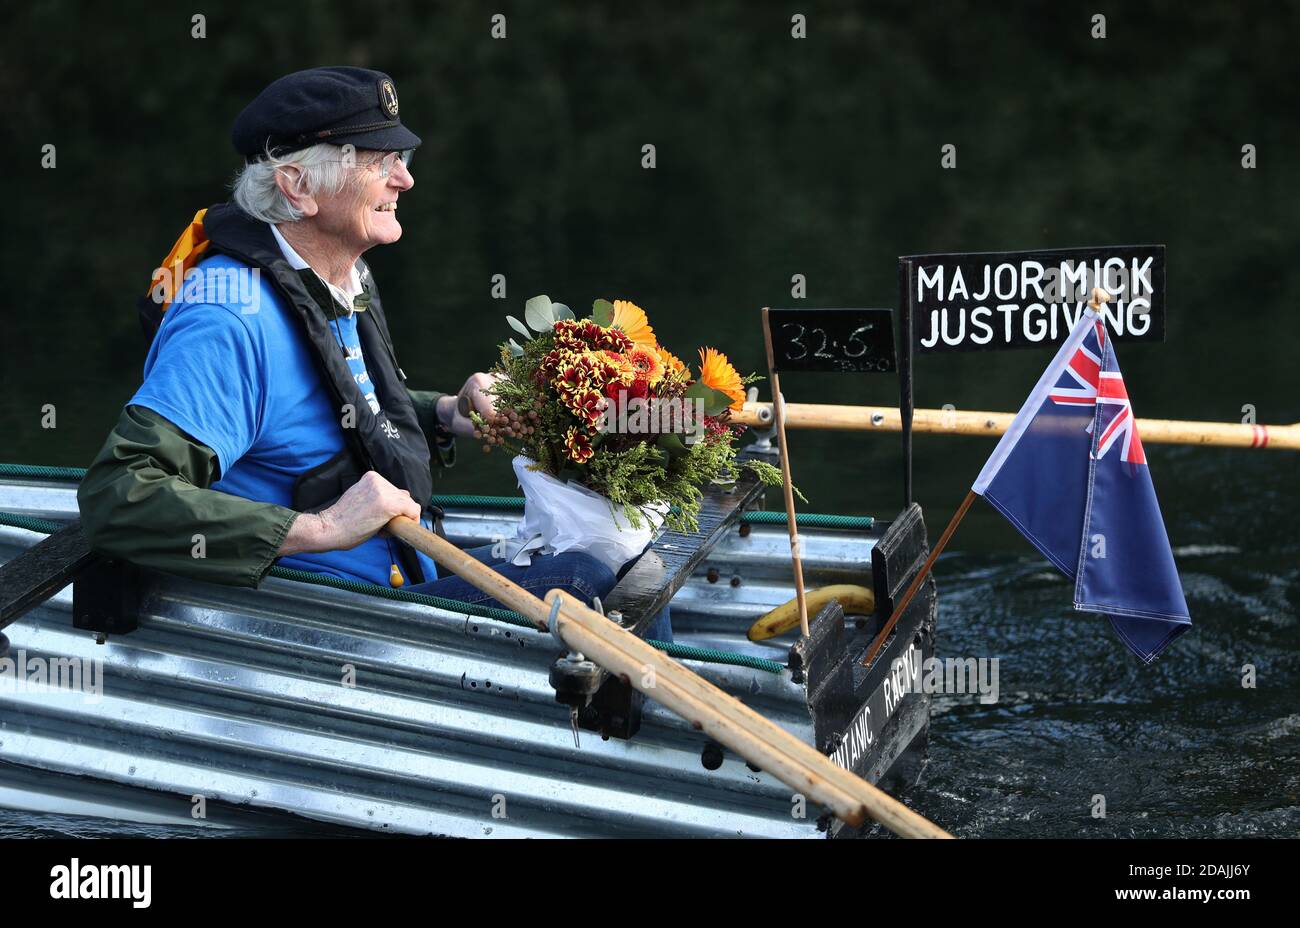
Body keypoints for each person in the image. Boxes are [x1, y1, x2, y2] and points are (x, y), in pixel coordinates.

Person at [78, 66, 670, 640]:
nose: (405, 181)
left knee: (622, 553)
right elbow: (119, 496)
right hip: (326, 611)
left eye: (401, 161)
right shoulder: (229, 318)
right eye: (378, 163)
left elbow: (317, 410)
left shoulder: (330, 276)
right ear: (297, 186)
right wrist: (323, 527)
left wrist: (443, 411)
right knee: (590, 573)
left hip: (394, 573)